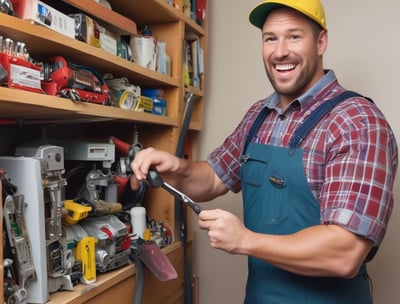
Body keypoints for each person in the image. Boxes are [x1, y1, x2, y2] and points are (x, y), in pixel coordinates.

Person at [131, 0, 398, 303]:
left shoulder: (357, 122)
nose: (280, 51)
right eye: (270, 38)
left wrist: (245, 240)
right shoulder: (260, 115)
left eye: (294, 36)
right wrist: (175, 167)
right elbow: (212, 179)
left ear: (321, 41)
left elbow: (345, 252)